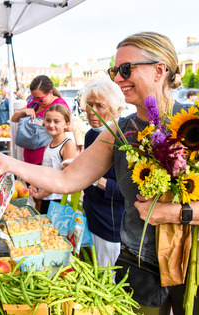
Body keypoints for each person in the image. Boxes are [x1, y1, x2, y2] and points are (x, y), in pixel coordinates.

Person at [0, 31, 199, 314]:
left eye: (125, 69)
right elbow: (66, 179)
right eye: (114, 70)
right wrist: (8, 163)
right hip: (140, 264)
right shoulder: (118, 133)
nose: (117, 79)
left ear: (159, 70)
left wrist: (174, 213)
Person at [80, 77, 126, 268]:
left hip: (111, 224)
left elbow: (129, 192)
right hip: (91, 216)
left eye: (100, 106)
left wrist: (98, 181)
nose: (92, 111)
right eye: (89, 105)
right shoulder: (91, 135)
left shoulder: (124, 140)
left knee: (109, 277)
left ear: (118, 110)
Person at [10, 75, 70, 165]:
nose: (37, 101)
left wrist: (44, 123)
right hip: (29, 161)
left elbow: (69, 127)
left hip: (45, 162)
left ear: (50, 92)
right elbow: (14, 118)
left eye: (40, 99)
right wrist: (24, 112)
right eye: (33, 98)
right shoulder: (35, 104)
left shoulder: (58, 104)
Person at [29, 104, 77, 214]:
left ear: (67, 124)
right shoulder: (48, 144)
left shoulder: (68, 145)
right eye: (48, 120)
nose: (51, 125)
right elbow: (44, 169)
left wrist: (42, 194)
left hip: (58, 201)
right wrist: (35, 184)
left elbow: (65, 178)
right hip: (46, 197)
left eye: (56, 121)